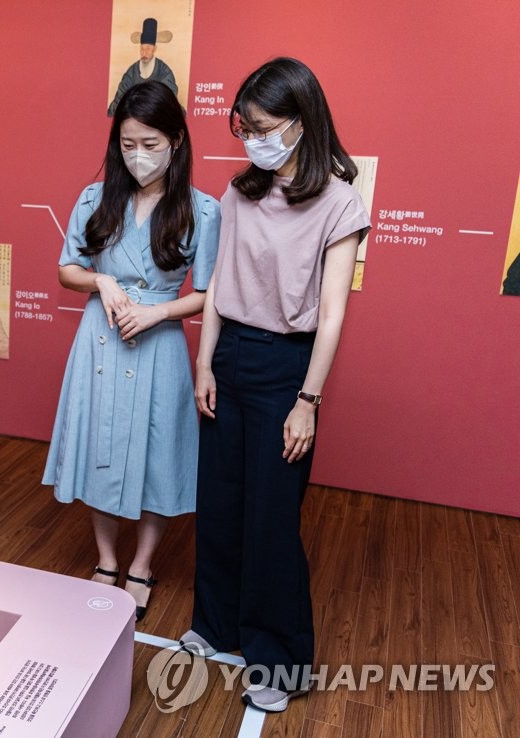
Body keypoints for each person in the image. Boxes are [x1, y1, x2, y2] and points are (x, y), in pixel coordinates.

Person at [177, 58, 371, 713]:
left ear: (300, 120)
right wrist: (204, 363)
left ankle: (279, 662)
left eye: (263, 126)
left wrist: (308, 402)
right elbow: (221, 288)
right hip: (229, 356)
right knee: (222, 503)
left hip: (288, 369)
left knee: (271, 519)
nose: (253, 137)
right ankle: (217, 625)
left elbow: (334, 311)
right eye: (245, 126)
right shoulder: (240, 193)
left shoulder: (340, 200)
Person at [43, 80, 220, 622]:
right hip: (100, 340)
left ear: (176, 142)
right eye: (127, 144)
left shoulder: (202, 210)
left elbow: (208, 293)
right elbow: (66, 268)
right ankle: (104, 558)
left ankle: (142, 563)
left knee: (156, 454)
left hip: (158, 342)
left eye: (150, 144)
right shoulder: (95, 199)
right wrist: (100, 283)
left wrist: (158, 312)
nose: (138, 156)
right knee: (100, 443)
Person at [107, 18, 178, 117]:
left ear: (154, 49)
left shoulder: (164, 70)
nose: (144, 53)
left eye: (148, 48)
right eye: (142, 49)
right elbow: (121, 96)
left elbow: (169, 95)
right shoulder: (132, 71)